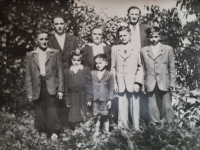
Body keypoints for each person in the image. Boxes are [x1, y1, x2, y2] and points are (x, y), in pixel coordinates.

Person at [25, 28, 63, 137]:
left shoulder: (54, 53)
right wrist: (29, 92)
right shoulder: (30, 55)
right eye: (41, 39)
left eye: (46, 39)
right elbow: (28, 76)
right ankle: (42, 131)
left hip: (51, 85)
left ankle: (54, 132)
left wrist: (60, 90)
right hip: (38, 85)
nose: (44, 41)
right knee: (39, 109)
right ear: (36, 40)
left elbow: (60, 73)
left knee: (52, 109)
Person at [48, 14, 78, 127]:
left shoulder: (73, 39)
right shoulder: (49, 40)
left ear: (65, 25)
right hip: (55, 74)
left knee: (71, 97)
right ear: (53, 26)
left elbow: (77, 57)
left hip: (70, 72)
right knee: (57, 98)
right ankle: (59, 126)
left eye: (61, 23)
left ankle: (72, 124)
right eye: (56, 24)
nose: (59, 26)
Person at [140, 26, 175, 124]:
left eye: (156, 36)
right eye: (151, 37)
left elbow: (171, 67)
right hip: (150, 81)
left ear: (160, 36)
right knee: (152, 104)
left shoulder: (167, 49)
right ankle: (154, 123)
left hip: (164, 80)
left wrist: (172, 82)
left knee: (166, 104)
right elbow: (142, 68)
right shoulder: (143, 50)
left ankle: (168, 123)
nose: (153, 39)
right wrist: (142, 83)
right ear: (147, 37)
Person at [111, 26, 143, 130]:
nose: (123, 37)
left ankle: (136, 129)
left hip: (133, 83)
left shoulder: (137, 48)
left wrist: (138, 82)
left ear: (130, 35)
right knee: (122, 107)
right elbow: (113, 68)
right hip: (120, 83)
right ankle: (122, 130)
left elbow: (140, 67)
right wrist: (115, 83)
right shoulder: (115, 48)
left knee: (135, 107)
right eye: (120, 36)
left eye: (125, 35)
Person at [86, 54, 114, 134]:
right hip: (95, 99)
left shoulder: (110, 74)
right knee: (95, 116)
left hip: (105, 99)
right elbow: (89, 87)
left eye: (100, 63)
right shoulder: (92, 73)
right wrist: (89, 99)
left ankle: (106, 133)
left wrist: (110, 100)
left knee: (105, 116)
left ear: (106, 63)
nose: (98, 65)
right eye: (96, 63)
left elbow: (111, 88)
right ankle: (96, 133)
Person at [64, 50, 91, 130]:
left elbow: (89, 85)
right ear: (71, 60)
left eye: (78, 60)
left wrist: (89, 98)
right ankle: (76, 130)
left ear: (82, 60)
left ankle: (84, 130)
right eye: (74, 60)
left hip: (83, 94)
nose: (76, 62)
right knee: (74, 114)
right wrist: (67, 99)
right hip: (72, 95)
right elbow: (65, 86)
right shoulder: (67, 71)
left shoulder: (85, 70)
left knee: (83, 113)